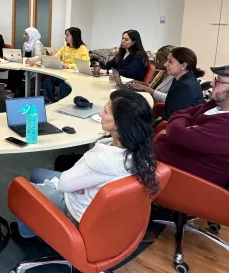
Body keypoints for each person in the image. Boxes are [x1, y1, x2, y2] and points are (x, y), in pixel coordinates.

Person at [11, 89, 159, 240]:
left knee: (20, 189)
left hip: (78, 212)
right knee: (37, 174)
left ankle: (26, 235)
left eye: (105, 111)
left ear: (119, 124)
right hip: (102, 209)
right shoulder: (142, 150)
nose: (100, 114)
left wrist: (79, 185)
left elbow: (64, 184)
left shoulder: (102, 160)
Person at [154, 65, 229, 186]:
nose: (212, 84)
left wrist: (177, 128)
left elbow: (176, 134)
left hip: (186, 184)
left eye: (218, 81)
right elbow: (179, 113)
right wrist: (180, 127)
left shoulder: (225, 126)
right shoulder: (213, 105)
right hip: (160, 163)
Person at [155, 47, 204, 121]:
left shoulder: (185, 86)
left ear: (183, 65)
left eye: (170, 62)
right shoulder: (180, 78)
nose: (165, 64)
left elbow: (175, 117)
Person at [43, 27, 90, 103]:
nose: (65, 37)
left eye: (67, 35)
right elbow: (55, 58)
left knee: (63, 86)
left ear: (74, 36)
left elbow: (86, 64)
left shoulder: (82, 49)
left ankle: (62, 104)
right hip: (63, 74)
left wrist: (69, 66)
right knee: (48, 80)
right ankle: (49, 101)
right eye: (65, 35)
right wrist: (61, 63)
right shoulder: (65, 47)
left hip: (75, 76)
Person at [7, 27, 45, 98]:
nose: (23, 36)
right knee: (12, 69)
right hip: (27, 65)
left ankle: (21, 92)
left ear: (32, 35)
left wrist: (30, 60)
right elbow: (24, 56)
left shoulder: (37, 43)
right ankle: (15, 90)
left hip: (36, 66)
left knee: (18, 72)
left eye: (26, 34)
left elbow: (39, 57)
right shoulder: (25, 44)